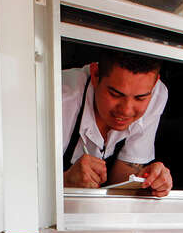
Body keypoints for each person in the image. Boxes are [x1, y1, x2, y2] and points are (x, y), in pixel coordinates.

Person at [60, 52, 174, 196]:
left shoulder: (156, 96)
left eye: (140, 98)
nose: (126, 111)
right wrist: (64, 181)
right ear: (95, 75)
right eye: (115, 94)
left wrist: (145, 181)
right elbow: (23, 182)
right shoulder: (58, 98)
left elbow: (121, 181)